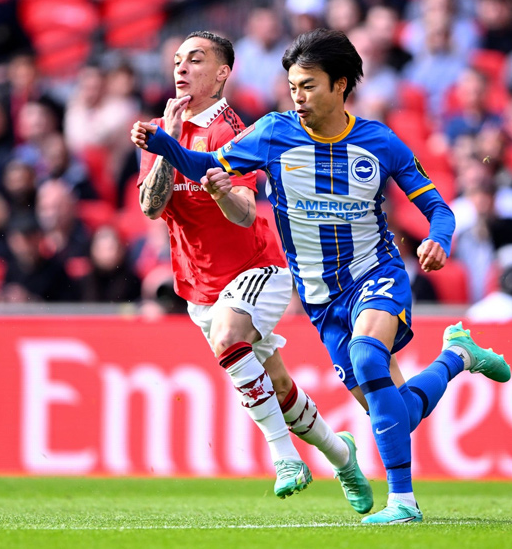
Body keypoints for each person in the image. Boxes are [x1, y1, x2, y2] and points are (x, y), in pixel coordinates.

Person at [131, 28, 510, 524]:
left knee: (367, 354)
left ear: (341, 85)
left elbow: (437, 206)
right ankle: (457, 356)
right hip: (320, 296)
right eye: (292, 86)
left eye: (308, 85)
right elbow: (206, 164)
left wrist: (439, 238)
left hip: (375, 273)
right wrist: (162, 141)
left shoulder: (379, 141)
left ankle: (403, 503)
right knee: (390, 412)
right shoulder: (273, 133)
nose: (298, 96)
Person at [135, 31, 372, 511]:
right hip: (197, 284)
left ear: (223, 73)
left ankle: (284, 457)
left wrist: (222, 190)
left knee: (228, 335)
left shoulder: (234, 132)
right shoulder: (161, 127)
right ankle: (342, 456)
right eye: (177, 59)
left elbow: (246, 211)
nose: (181, 67)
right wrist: (167, 142)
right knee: (277, 386)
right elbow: (149, 205)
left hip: (257, 267)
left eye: (195, 60)